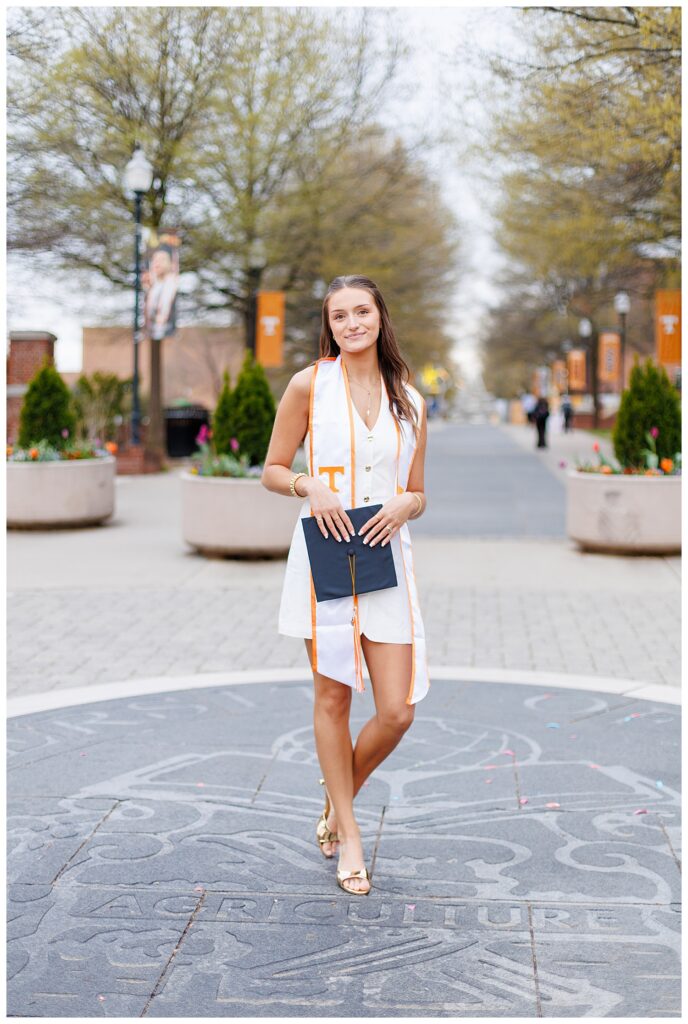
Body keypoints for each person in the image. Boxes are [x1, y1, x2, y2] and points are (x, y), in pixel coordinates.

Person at [261, 274, 429, 896]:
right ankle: (350, 837)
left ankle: (337, 802)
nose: (352, 323)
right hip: (326, 556)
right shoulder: (309, 385)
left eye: (362, 311)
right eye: (340, 315)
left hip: (384, 558)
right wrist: (309, 485)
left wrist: (408, 504)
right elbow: (272, 470)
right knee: (332, 698)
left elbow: (418, 490)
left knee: (397, 711)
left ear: (380, 317)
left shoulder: (409, 399)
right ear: (328, 325)